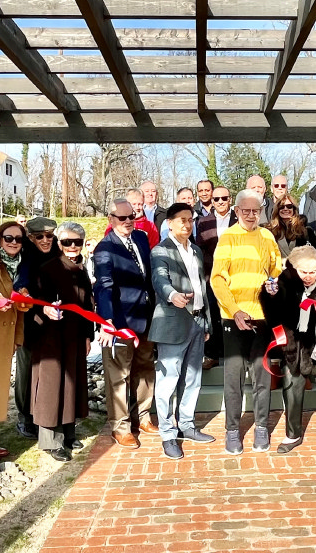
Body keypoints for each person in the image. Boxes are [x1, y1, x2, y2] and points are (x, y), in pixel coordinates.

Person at [211, 189, 282, 455]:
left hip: (262, 317)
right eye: (246, 210)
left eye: (256, 210)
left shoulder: (267, 236)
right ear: (237, 211)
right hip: (234, 318)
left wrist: (274, 283)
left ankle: (261, 426)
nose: (252, 215)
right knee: (234, 377)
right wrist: (235, 310)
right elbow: (217, 279)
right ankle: (232, 430)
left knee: (262, 376)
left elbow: (276, 267)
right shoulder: (228, 237)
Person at [260, 245, 316, 457]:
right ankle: (293, 434)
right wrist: (270, 295)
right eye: (303, 272)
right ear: (295, 268)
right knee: (292, 387)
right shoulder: (285, 280)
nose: (308, 276)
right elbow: (274, 315)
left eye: (312, 272)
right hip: (296, 345)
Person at [148, 203, 214, 459]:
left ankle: (186, 425)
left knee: (192, 379)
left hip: (197, 322)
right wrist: (172, 295)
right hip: (173, 323)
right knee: (168, 383)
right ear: (170, 223)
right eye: (182, 220)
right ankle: (168, 434)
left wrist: (206, 321)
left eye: (190, 220)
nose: (187, 224)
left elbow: (201, 288)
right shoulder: (160, 250)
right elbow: (159, 279)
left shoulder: (195, 250)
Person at [94, 198, 158, 449]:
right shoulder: (104, 248)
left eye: (132, 216)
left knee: (145, 368)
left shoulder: (141, 238)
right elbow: (104, 286)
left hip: (146, 317)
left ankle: (143, 417)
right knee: (119, 376)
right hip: (120, 322)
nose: (128, 221)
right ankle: (120, 427)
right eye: (122, 218)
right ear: (111, 220)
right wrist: (107, 321)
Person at [31, 222, 94, 462]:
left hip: (75, 336)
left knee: (71, 383)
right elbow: (34, 301)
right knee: (51, 386)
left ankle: (68, 432)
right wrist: (44, 310)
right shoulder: (47, 268)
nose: (72, 246)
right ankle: (51, 441)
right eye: (67, 242)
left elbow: (88, 304)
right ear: (59, 244)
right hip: (51, 338)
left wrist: (88, 335)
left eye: (77, 242)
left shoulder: (81, 269)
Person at [12, 216, 61, 440]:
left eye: (49, 235)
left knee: (49, 371)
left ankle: (47, 415)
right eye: (39, 236)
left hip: (54, 321)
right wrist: (24, 292)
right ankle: (25, 417)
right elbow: (20, 283)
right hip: (30, 321)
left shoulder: (57, 253)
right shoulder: (24, 256)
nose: (45, 240)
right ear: (30, 237)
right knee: (27, 370)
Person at [0, 221, 27, 463]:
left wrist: (18, 338)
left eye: (18, 239)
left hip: (8, 334)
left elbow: (21, 304)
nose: (13, 243)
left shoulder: (20, 266)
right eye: (8, 238)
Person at [196, 186, 237, 370]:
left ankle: (234, 354)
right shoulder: (204, 222)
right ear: (211, 201)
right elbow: (200, 250)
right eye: (216, 199)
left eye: (224, 198)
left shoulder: (239, 219)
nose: (220, 202)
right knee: (213, 314)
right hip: (212, 276)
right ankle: (213, 354)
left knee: (234, 314)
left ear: (230, 199)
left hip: (236, 276)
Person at [266, 194, 316, 264]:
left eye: (289, 206)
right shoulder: (269, 231)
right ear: (277, 209)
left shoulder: (306, 232)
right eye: (281, 207)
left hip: (300, 269)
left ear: (294, 209)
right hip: (277, 269)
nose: (285, 209)